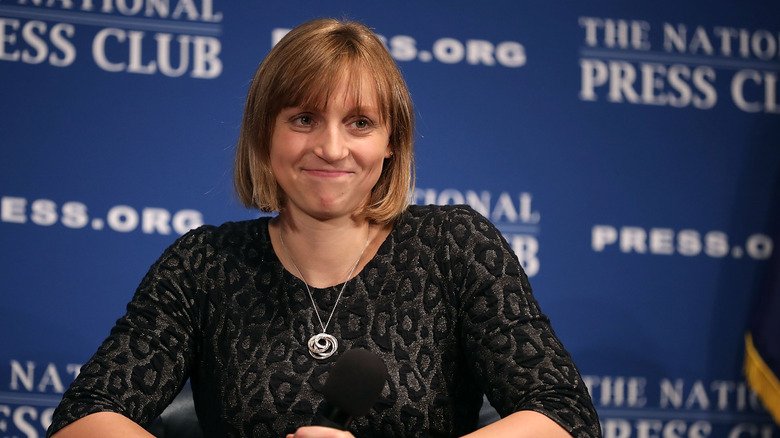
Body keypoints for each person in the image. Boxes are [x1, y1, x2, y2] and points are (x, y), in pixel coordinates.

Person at [47, 18, 601, 438]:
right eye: (304, 119)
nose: (331, 148)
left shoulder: (453, 245)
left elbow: (561, 413)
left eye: (359, 122)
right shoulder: (204, 264)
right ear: (266, 136)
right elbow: (85, 416)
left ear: (391, 145)